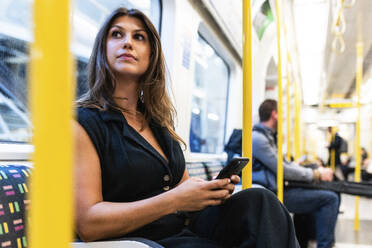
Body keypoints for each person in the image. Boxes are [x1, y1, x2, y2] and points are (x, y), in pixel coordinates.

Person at [73, 8, 299, 248]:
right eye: (117, 35)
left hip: (182, 229)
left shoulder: (157, 123)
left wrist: (208, 191)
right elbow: (89, 224)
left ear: (151, 54)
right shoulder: (84, 123)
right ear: (102, 49)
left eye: (139, 37)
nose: (127, 42)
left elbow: (182, 188)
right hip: (140, 241)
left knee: (261, 202)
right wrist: (174, 201)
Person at [252, 99, 339, 248]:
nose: (284, 118)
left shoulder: (269, 137)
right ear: (274, 115)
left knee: (325, 191)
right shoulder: (259, 139)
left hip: (279, 187)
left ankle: (304, 242)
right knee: (330, 199)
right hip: (273, 193)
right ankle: (324, 245)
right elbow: (283, 169)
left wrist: (313, 172)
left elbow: (286, 164)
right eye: (282, 114)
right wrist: (316, 174)